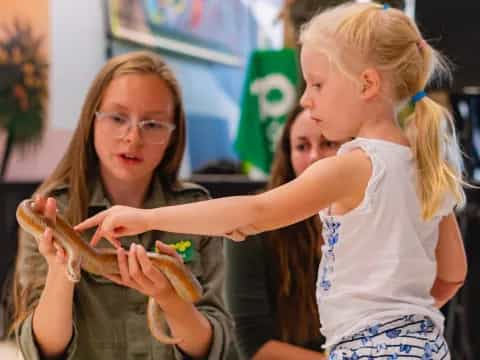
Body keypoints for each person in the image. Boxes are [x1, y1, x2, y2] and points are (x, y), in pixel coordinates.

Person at [75, 3, 468, 359]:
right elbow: (452, 274)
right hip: (426, 346)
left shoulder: (351, 166)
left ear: (366, 84)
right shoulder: (429, 167)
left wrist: (147, 219)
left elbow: (257, 210)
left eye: (317, 84)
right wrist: (402, 322)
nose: (305, 99)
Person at [10, 51, 233, 360]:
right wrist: (62, 270)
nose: (133, 137)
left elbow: (213, 347)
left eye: (153, 124)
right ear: (92, 120)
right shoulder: (51, 211)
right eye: (117, 118)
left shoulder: (196, 210)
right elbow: (41, 350)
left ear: (173, 135)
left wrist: (168, 297)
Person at [226, 105, 347, 359]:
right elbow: (252, 345)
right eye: (302, 147)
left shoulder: (370, 220)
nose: (314, 157)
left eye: (328, 144)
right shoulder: (254, 227)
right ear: (287, 155)